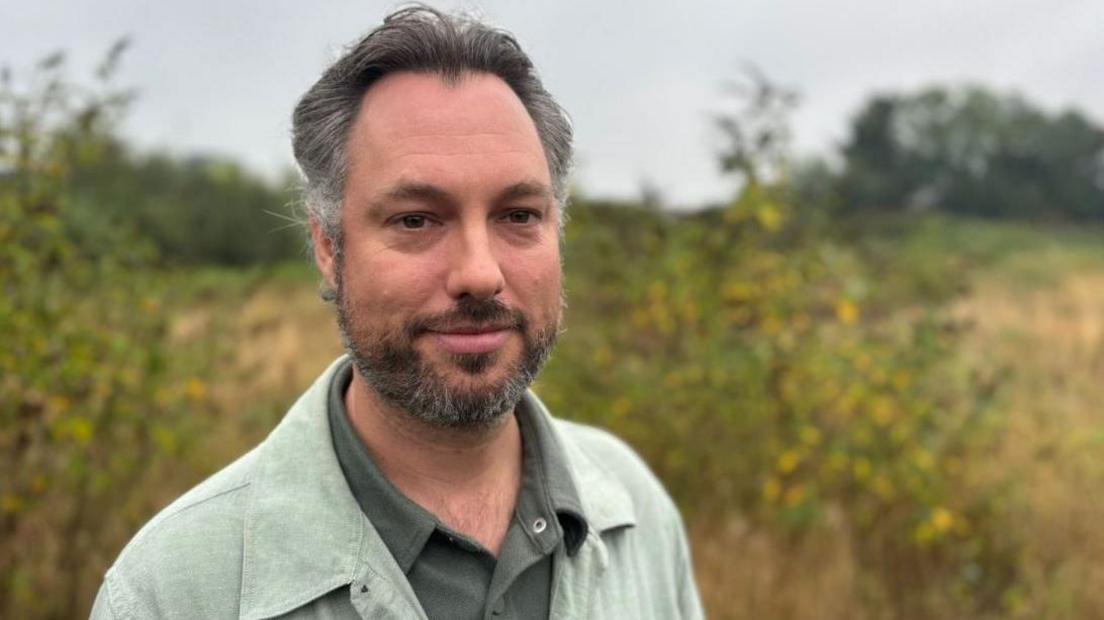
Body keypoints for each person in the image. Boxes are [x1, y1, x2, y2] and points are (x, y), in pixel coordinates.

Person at [91, 6, 703, 619]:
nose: (479, 273)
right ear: (330, 248)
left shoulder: (637, 512)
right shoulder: (170, 592)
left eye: (518, 215)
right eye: (416, 219)